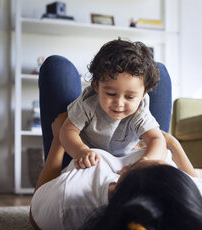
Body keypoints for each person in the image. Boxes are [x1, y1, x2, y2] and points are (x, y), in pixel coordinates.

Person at [29, 113, 202, 230]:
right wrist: (173, 146)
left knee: (56, 66)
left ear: (116, 186)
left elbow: (36, 208)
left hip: (79, 142)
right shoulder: (200, 208)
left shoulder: (70, 200)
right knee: (155, 72)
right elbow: (192, 178)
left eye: (135, 167)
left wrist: (59, 138)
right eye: (161, 165)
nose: (136, 161)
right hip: (145, 136)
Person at [59, 39, 167, 169]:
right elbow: (68, 131)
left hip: (124, 157)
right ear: (96, 87)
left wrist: (146, 161)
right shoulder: (88, 103)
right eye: (111, 94)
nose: (119, 103)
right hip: (91, 156)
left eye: (129, 97)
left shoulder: (140, 110)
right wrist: (81, 151)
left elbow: (157, 139)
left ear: (143, 95)